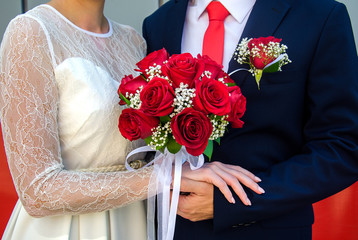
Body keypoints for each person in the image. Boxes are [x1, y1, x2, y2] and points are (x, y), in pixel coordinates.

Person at [0, 0, 264, 239]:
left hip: (135, 223)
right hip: (65, 229)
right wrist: (165, 177)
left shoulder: (133, 40)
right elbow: (37, 191)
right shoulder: (31, 32)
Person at [143, 0, 358, 239]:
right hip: (177, 229)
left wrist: (233, 202)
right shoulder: (158, 23)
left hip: (269, 230)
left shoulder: (320, 15)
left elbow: (342, 146)